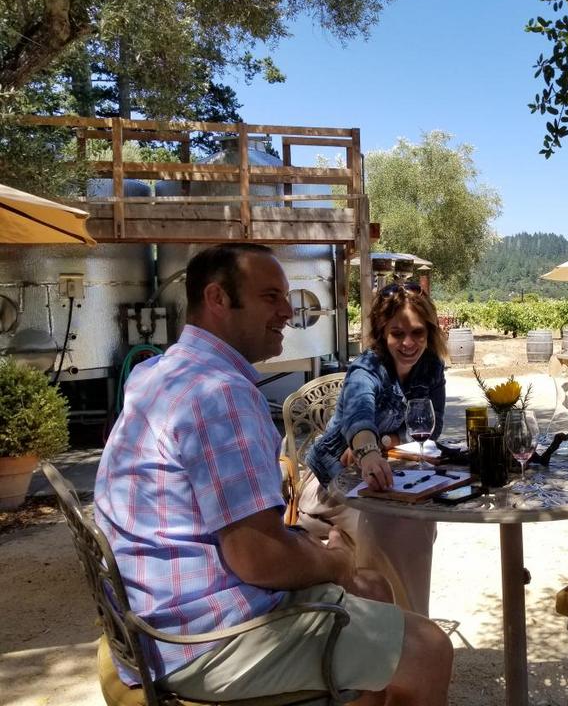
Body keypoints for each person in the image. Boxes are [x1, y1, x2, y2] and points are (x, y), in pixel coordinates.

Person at [93, 244, 452, 705]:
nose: (289, 310)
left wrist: (324, 558)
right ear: (218, 298)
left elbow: (250, 537)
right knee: (429, 648)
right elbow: (258, 557)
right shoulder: (219, 392)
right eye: (270, 297)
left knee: (373, 587)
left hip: (151, 619)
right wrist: (335, 560)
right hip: (202, 641)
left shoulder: (157, 371)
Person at [299, 280, 446, 616]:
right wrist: (368, 450)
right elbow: (358, 415)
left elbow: (430, 428)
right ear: (383, 333)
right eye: (397, 333)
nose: (408, 343)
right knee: (394, 526)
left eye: (418, 333)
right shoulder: (366, 369)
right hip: (331, 482)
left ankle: (402, 621)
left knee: (418, 519)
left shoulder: (431, 368)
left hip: (392, 479)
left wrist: (383, 444)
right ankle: (401, 625)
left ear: (430, 332)